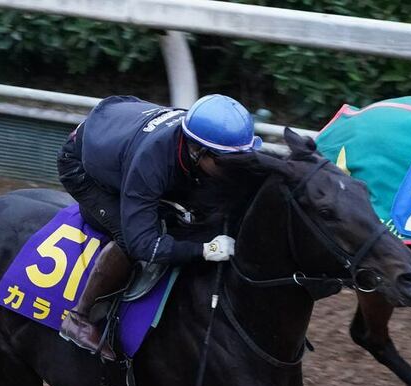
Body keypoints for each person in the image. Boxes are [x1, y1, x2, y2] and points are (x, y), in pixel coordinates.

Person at [56, 93, 262, 360]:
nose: (237, 169)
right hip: (82, 166)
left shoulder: (201, 144)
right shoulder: (151, 162)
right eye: (228, 162)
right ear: (197, 150)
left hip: (121, 131)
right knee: (128, 238)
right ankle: (79, 317)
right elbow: (144, 244)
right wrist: (204, 250)